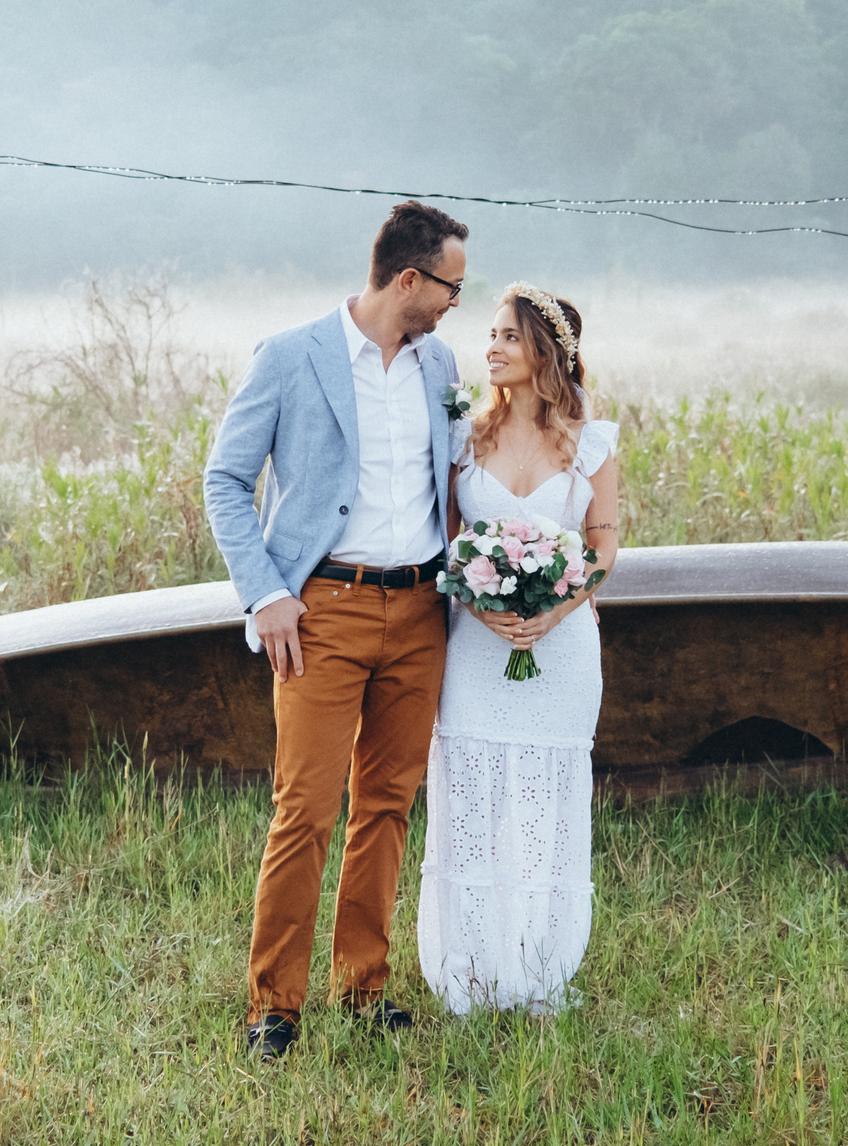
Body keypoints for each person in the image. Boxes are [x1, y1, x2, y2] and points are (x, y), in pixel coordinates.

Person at [203, 200, 471, 1062]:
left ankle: (365, 987)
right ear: (407, 278)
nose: (456, 302)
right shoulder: (292, 356)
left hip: (423, 611)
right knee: (306, 809)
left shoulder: (441, 365)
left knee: (388, 806)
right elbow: (225, 479)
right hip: (322, 611)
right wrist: (264, 594)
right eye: (450, 286)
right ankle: (274, 1005)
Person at [416, 285, 620, 1017]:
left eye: (507, 336)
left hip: (562, 652)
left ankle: (537, 968)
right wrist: (485, 605)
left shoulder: (591, 444)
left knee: (546, 804)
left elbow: (603, 545)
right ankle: (470, 971)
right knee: (471, 794)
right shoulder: (464, 436)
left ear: (545, 352)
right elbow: (441, 542)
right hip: (474, 647)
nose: (491, 347)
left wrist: (552, 611)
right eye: (491, 334)